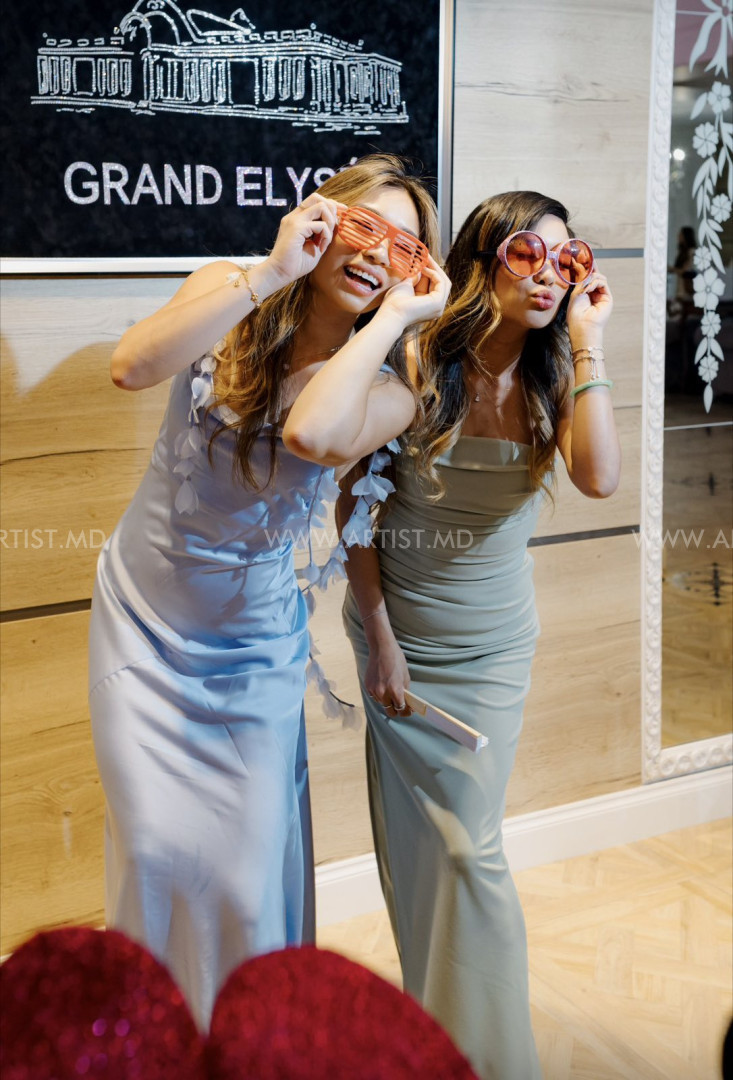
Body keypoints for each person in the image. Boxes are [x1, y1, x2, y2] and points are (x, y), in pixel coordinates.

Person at [88, 153, 450, 1031]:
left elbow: (312, 432)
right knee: (151, 853)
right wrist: (271, 271)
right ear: (320, 219)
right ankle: (144, 1044)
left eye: (404, 249)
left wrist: (391, 319)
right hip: (140, 623)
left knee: (246, 882)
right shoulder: (227, 286)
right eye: (362, 227)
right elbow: (131, 366)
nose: (377, 254)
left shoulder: (392, 392)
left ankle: (241, 1045)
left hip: (249, 652)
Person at [333, 192, 621, 1079]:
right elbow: (353, 512)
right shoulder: (418, 358)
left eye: (568, 261)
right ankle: (438, 1044)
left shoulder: (554, 375)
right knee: (428, 855)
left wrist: (588, 341)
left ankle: (489, 1060)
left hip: (493, 648)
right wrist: (379, 639)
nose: (548, 276)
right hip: (401, 639)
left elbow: (600, 478)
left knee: (470, 850)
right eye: (528, 254)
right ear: (482, 260)